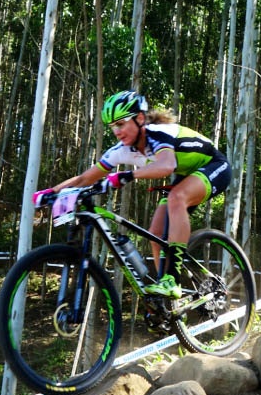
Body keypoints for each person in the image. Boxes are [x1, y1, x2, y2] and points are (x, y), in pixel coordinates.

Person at [35, 90, 230, 297]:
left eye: (121, 124)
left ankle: (172, 279)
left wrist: (128, 175)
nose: (117, 131)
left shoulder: (158, 133)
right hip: (186, 175)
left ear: (139, 119)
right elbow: (85, 178)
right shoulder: (122, 149)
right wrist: (52, 192)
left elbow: (167, 165)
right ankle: (167, 297)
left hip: (214, 166)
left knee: (177, 198)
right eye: (112, 127)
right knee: (155, 233)